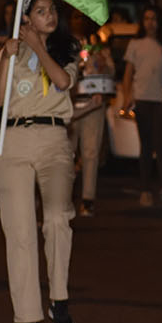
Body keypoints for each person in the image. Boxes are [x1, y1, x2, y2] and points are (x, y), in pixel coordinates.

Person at [0, 0, 78, 323]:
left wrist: (37, 47)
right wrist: (7, 57)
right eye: (40, 10)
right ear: (26, 18)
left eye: (52, 9)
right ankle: (27, 316)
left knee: (57, 217)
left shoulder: (66, 51)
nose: (49, 15)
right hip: (13, 142)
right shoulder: (10, 51)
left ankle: (59, 297)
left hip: (54, 141)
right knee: (20, 231)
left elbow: (62, 81)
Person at [120, 5, 162, 208]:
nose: (151, 22)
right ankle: (145, 190)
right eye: (147, 18)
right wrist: (126, 97)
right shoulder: (135, 44)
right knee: (146, 146)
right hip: (142, 98)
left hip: (161, 100)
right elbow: (127, 73)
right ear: (142, 22)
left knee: (161, 144)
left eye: (154, 18)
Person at [70, 22, 115, 217]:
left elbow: (111, 73)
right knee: (66, 153)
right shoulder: (64, 43)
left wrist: (104, 62)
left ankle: (87, 199)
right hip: (70, 104)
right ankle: (64, 195)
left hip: (94, 103)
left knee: (90, 152)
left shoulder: (100, 46)